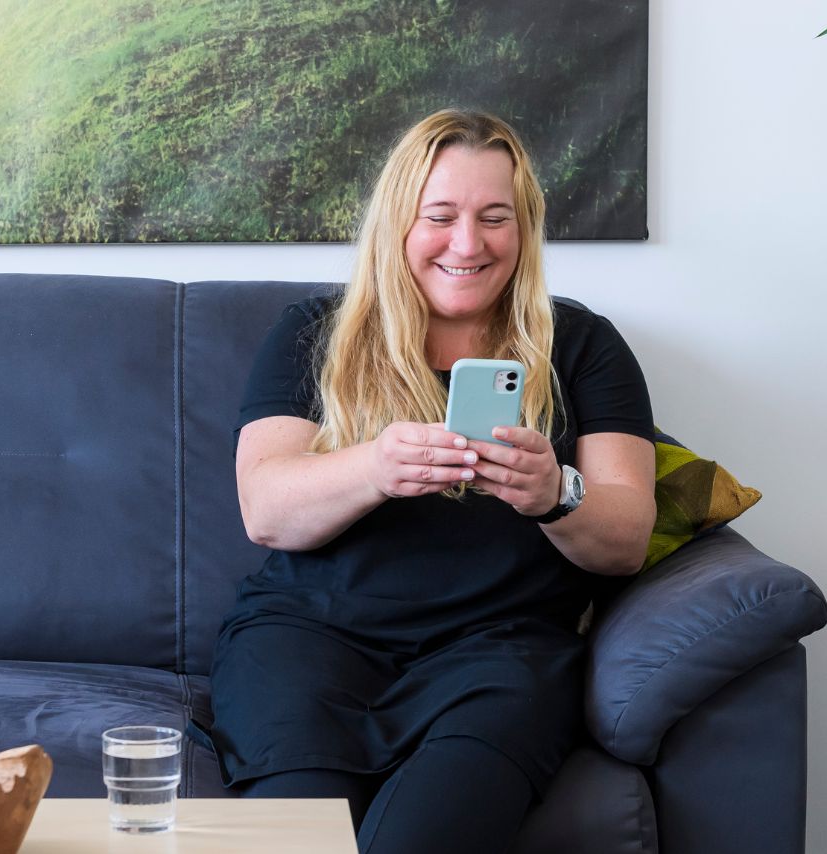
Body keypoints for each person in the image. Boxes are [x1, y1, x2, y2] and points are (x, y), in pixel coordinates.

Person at [205, 109, 657, 853]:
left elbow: (627, 539)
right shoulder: (314, 332)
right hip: (305, 641)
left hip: (500, 657)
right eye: (440, 217)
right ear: (399, 223)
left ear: (525, 228)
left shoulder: (583, 346)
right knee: (296, 833)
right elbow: (266, 510)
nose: (468, 244)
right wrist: (375, 467)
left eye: (495, 218)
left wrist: (556, 495)